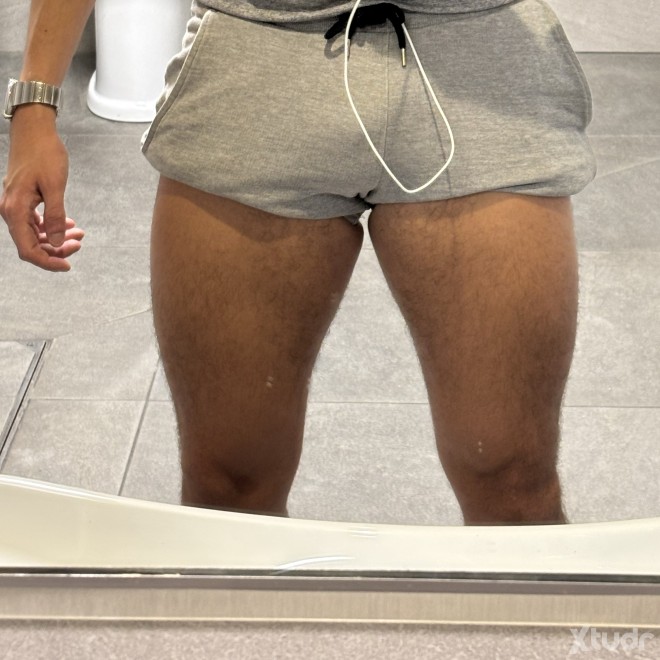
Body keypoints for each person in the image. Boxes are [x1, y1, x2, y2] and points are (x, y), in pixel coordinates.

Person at [0, 0, 596, 523]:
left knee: (514, 484)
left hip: (480, 50)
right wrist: (34, 106)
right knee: (228, 488)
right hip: (261, 52)